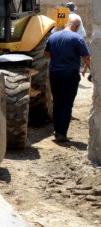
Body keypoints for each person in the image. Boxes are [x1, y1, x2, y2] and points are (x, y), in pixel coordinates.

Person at [44, 14, 91, 143]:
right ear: (76, 26)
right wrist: (90, 69)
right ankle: (62, 134)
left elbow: (46, 53)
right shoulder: (77, 38)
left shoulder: (53, 36)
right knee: (67, 104)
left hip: (54, 73)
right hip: (69, 74)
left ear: (66, 24)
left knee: (57, 102)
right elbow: (86, 57)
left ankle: (57, 130)